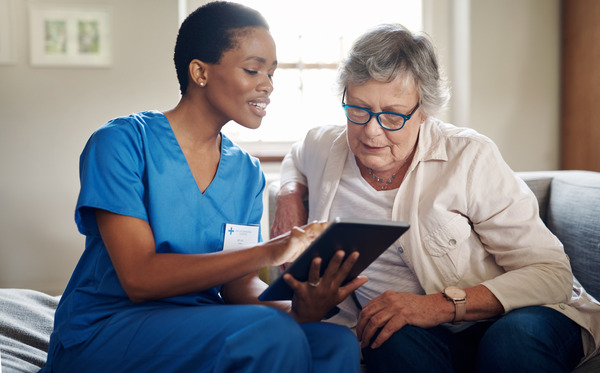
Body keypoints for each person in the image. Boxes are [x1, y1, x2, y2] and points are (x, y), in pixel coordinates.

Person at [40, 2, 366, 372]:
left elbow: (239, 286)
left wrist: (298, 309)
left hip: (201, 323)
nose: (268, 86)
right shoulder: (121, 143)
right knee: (271, 332)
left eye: (272, 73)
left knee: (335, 342)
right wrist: (274, 249)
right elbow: (139, 278)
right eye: (253, 69)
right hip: (108, 327)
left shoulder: (245, 172)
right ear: (200, 72)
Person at [271, 23, 600, 372]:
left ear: (423, 110)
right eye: (358, 109)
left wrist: (436, 305)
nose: (371, 131)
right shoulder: (325, 146)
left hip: (518, 317)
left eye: (393, 116)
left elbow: (552, 274)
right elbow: (298, 154)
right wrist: (290, 193)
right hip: (428, 337)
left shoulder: (468, 157)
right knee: (382, 335)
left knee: (509, 342)